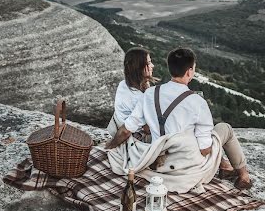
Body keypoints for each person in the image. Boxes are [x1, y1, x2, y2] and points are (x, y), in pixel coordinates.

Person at [106, 47, 252, 190]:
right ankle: (244, 176)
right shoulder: (198, 102)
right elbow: (205, 150)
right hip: (185, 167)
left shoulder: (149, 94)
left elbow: (127, 128)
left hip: (159, 160)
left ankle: (226, 166)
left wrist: (110, 147)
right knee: (224, 128)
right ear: (189, 71)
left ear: (170, 68)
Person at [107, 47, 154, 137]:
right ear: (139, 68)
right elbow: (148, 129)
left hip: (116, 128)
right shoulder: (139, 98)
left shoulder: (123, 84)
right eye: (148, 63)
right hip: (132, 139)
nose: (152, 66)